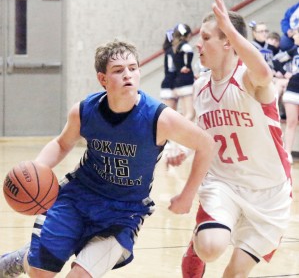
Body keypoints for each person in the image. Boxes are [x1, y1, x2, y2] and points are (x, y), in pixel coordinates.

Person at [0, 39, 215, 278]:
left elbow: (206, 144)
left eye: (133, 68)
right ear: (102, 79)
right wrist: (38, 168)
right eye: (118, 70)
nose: (128, 75)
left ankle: (30, 255)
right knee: (40, 273)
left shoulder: (159, 118)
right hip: (77, 197)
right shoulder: (84, 111)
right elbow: (62, 144)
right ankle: (23, 259)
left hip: (124, 211)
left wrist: (187, 195)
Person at [167, 0, 292, 278]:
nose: (199, 45)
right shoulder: (201, 86)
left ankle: (203, 239)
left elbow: (262, 70)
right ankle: (197, 245)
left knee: (234, 274)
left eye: (207, 38)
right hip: (223, 184)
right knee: (211, 247)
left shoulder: (249, 80)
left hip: (270, 192)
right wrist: (182, 150)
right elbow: (204, 133)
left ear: (228, 42)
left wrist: (233, 32)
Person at [273, 27, 299, 164]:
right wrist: (284, 73)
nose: (293, 37)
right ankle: (287, 153)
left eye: (295, 35)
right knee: (291, 122)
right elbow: (277, 61)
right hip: (293, 88)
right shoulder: (293, 50)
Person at [160, 28, 178, 110]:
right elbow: (171, 70)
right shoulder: (170, 51)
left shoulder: (170, 51)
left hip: (169, 85)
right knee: (171, 113)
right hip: (169, 86)